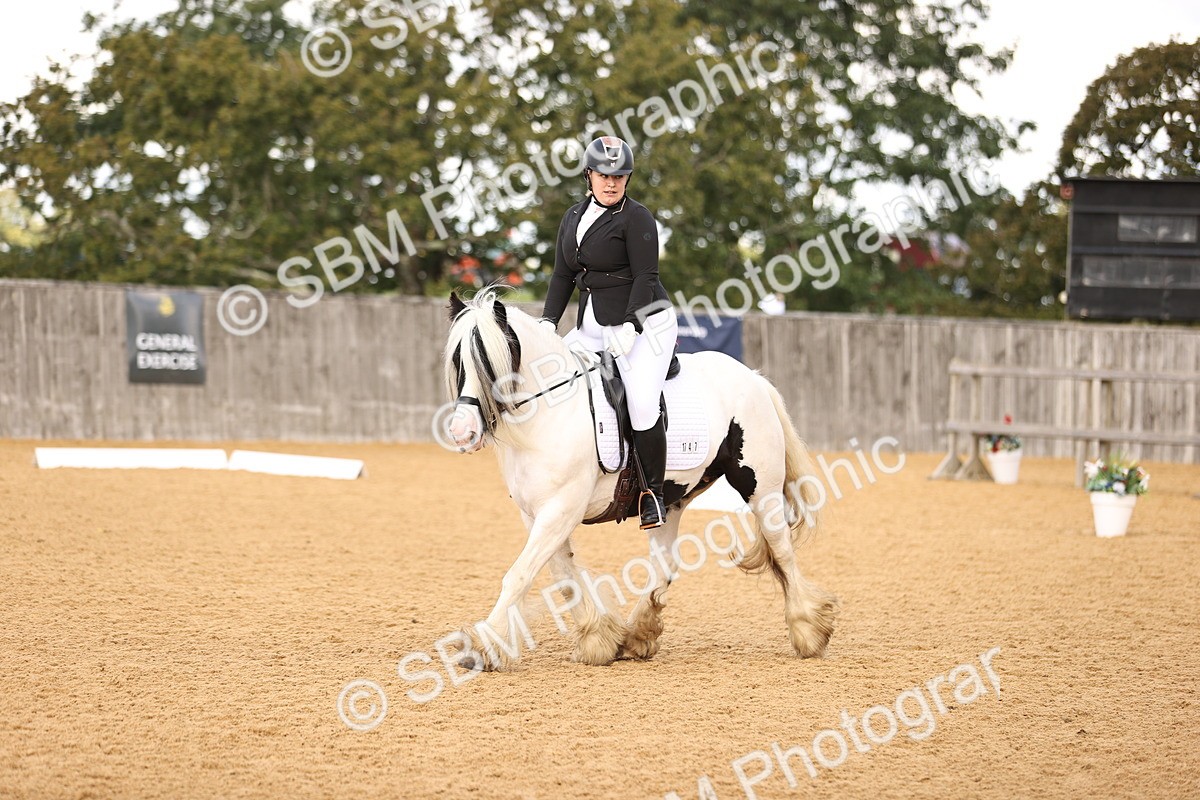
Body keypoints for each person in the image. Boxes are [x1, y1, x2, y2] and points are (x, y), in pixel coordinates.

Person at [540, 136, 678, 529]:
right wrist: (549, 321)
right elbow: (563, 274)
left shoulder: (637, 218)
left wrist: (633, 326)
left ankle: (652, 494)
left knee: (640, 400)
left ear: (628, 179)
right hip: (593, 324)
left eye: (620, 176)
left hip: (648, 323)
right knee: (551, 378)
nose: (612, 183)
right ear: (589, 175)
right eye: (604, 175)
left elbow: (646, 277)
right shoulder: (572, 217)